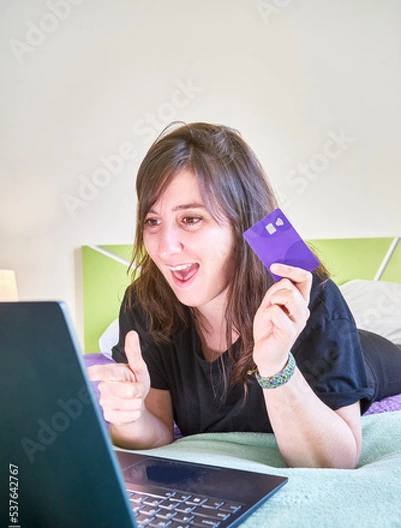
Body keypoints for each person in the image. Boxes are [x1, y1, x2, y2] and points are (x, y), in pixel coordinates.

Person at [88, 121, 401, 469]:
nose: (165, 248)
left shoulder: (309, 298)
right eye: (152, 221)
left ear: (241, 223)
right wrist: (129, 417)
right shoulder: (146, 303)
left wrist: (275, 366)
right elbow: (158, 432)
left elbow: (337, 462)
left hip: (375, 356)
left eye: (191, 219)